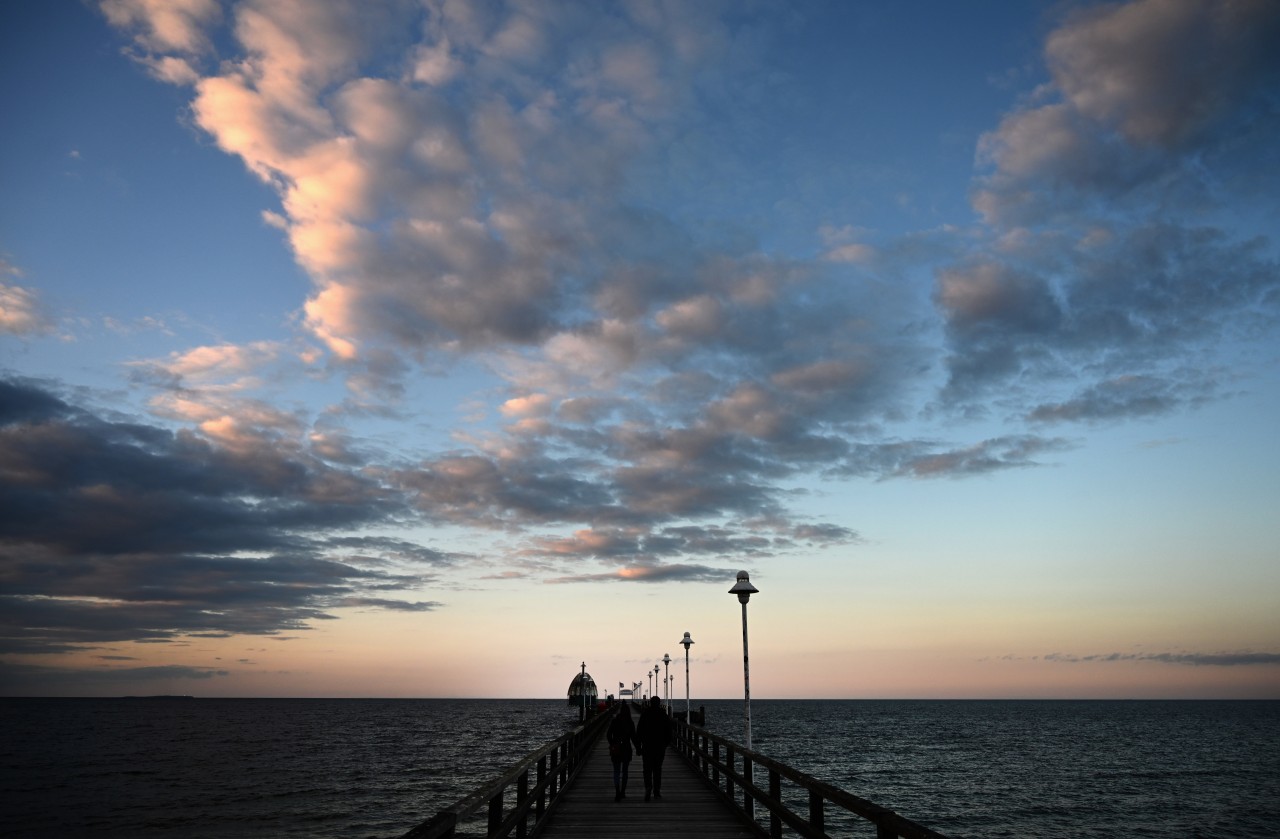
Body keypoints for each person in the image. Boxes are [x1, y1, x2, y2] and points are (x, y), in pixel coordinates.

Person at [634, 695, 671, 801]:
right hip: (659, 747)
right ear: (659, 703)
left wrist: (638, 747)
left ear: (650, 703)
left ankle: (648, 787)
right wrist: (665, 744)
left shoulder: (645, 714)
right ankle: (657, 791)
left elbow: (639, 731)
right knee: (657, 769)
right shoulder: (663, 714)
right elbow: (669, 731)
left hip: (647, 746)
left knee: (647, 769)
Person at [606, 702, 636, 801]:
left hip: (617, 749)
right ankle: (623, 791)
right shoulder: (630, 722)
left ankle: (617, 791)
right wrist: (639, 748)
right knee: (625, 771)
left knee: (616, 771)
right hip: (626, 749)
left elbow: (608, 735)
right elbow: (633, 737)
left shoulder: (615, 721)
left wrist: (612, 743)